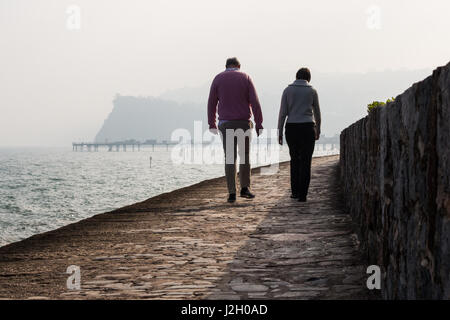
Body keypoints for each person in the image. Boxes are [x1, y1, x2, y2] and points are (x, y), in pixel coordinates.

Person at [208, 57, 264, 203]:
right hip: (243, 123)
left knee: (230, 157)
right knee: (244, 155)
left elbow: (212, 103)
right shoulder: (245, 77)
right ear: (239, 66)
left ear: (226, 66)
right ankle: (245, 188)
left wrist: (211, 123)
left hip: (226, 123)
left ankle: (232, 192)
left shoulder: (218, 78)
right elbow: (255, 102)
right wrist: (259, 123)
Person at [278, 67, 321, 202]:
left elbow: (283, 113)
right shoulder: (312, 91)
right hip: (308, 127)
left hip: (292, 128)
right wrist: (318, 129)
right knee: (306, 161)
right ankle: (303, 194)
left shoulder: (287, 90)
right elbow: (317, 113)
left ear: (296, 77)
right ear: (308, 78)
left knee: (294, 159)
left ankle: (295, 192)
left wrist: (279, 131)